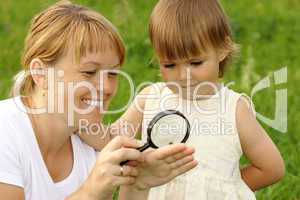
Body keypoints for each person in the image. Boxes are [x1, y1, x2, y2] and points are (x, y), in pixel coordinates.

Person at [80, 0, 286, 199]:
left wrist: (225, 189)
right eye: (170, 65)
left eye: (195, 62)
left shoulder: (233, 109)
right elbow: (111, 140)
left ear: (222, 49)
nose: (183, 76)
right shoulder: (151, 98)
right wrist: (76, 121)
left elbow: (271, 168)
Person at [0, 1, 198, 200]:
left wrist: (139, 184)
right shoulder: (5, 132)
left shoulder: (90, 146)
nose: (107, 88)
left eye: (112, 73)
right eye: (89, 72)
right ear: (40, 73)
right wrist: (90, 192)